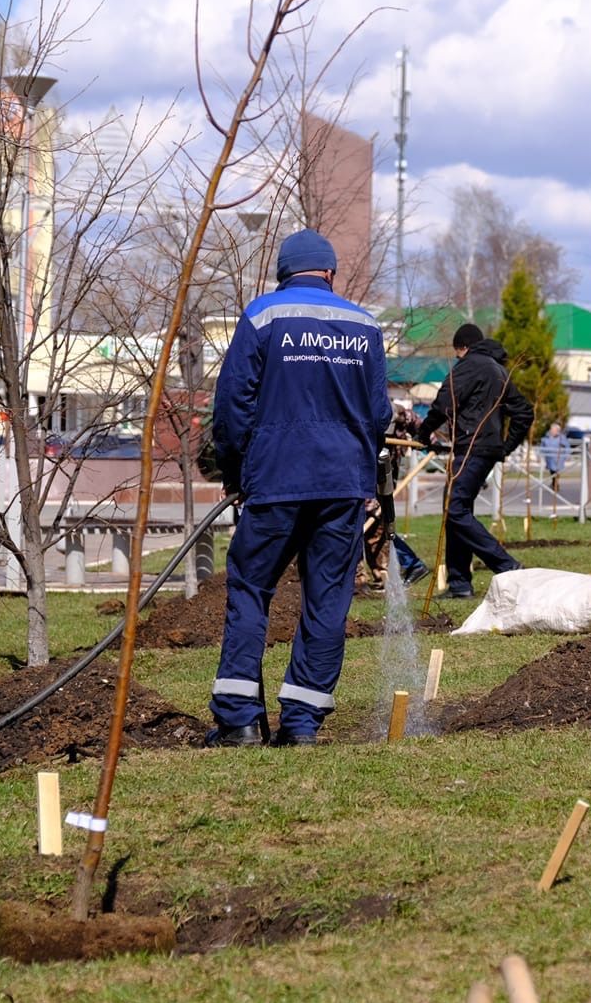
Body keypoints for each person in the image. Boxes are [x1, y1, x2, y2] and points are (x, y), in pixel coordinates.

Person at [207, 229, 391, 746]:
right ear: (329, 273)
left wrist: (236, 469)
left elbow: (232, 406)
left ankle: (239, 719)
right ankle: (302, 724)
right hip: (341, 486)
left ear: (284, 274)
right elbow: (378, 414)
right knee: (327, 599)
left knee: (250, 588)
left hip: (275, 479)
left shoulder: (262, 316)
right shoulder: (364, 325)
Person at [418, 322, 533, 599]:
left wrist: (423, 432)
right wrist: (503, 447)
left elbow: (445, 402)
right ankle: (459, 583)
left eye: (457, 354)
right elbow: (524, 413)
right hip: (483, 450)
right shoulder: (498, 370)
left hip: (470, 448)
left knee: (454, 509)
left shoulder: (469, 365)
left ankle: (506, 566)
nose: (457, 360)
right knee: (457, 510)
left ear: (463, 348)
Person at [540, 420, 569, 485]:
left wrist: (567, 455)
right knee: (552, 471)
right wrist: (540, 454)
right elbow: (542, 446)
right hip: (549, 458)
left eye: (553, 429)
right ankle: (554, 482)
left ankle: (555, 483)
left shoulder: (561, 437)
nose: (551, 430)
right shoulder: (547, 437)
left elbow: (567, 446)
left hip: (558, 458)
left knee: (557, 471)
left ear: (557, 430)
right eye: (551, 429)